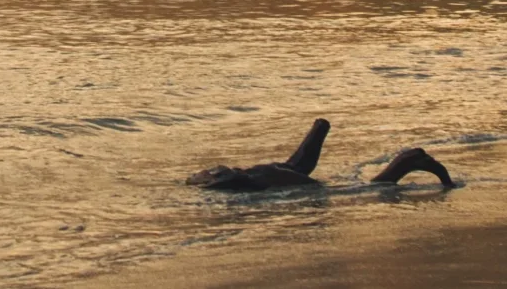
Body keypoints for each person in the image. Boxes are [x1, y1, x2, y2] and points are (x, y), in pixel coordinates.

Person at [186, 118, 455, 191]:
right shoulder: (219, 181)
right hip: (260, 177)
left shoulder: (221, 182)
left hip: (257, 179)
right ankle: (406, 162)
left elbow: (215, 181)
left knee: (304, 174)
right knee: (299, 169)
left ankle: (406, 162)